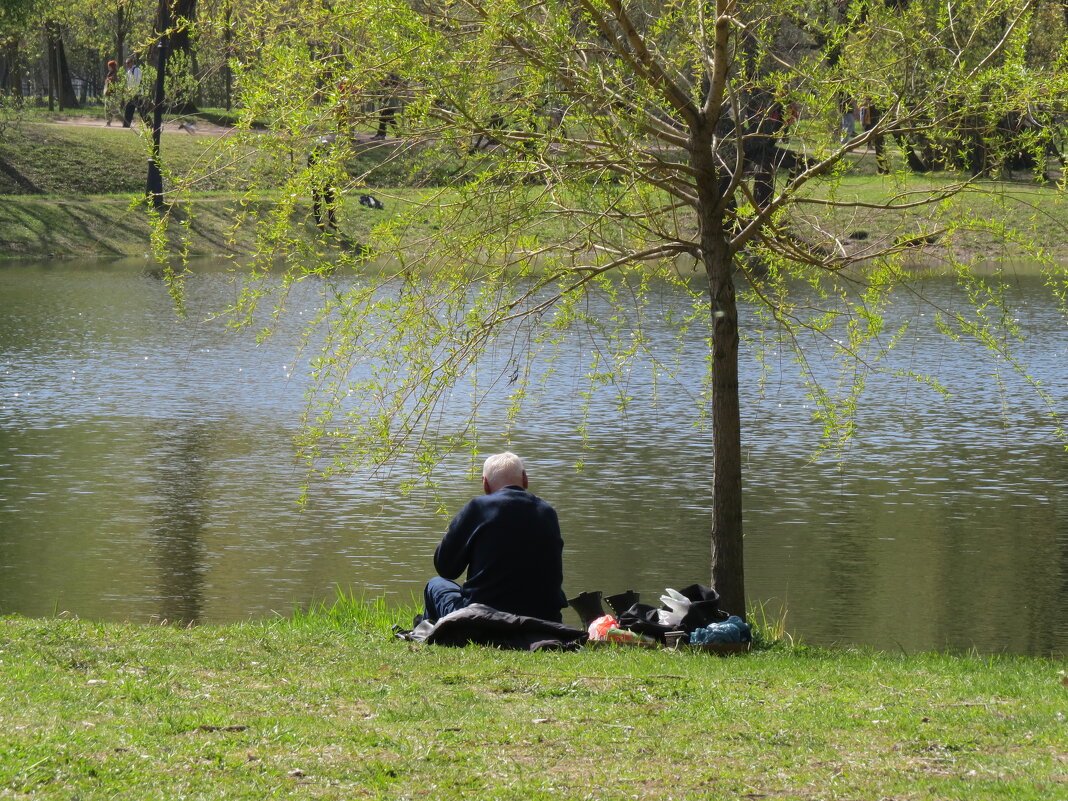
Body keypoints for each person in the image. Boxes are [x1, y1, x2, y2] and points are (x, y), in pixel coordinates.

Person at [422, 452, 566, 623]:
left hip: (484, 618)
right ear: (525, 479)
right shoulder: (547, 512)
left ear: (485, 485)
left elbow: (446, 569)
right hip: (543, 617)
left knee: (436, 585)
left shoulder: (478, 508)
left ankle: (433, 635)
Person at [122, 57, 143, 128]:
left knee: (142, 111)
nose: (127, 65)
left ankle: (151, 125)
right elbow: (128, 83)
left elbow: (137, 82)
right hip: (131, 94)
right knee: (128, 109)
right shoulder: (128, 72)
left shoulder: (137, 70)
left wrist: (132, 89)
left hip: (137, 93)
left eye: (128, 63)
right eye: (126, 63)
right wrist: (128, 90)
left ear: (132, 62)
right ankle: (126, 125)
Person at [103, 60, 120, 126]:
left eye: (109, 66)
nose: (108, 67)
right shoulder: (109, 73)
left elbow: (115, 82)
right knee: (107, 108)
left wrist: (110, 80)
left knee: (113, 109)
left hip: (113, 93)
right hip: (108, 93)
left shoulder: (115, 73)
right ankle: (108, 122)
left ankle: (124, 121)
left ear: (111, 66)